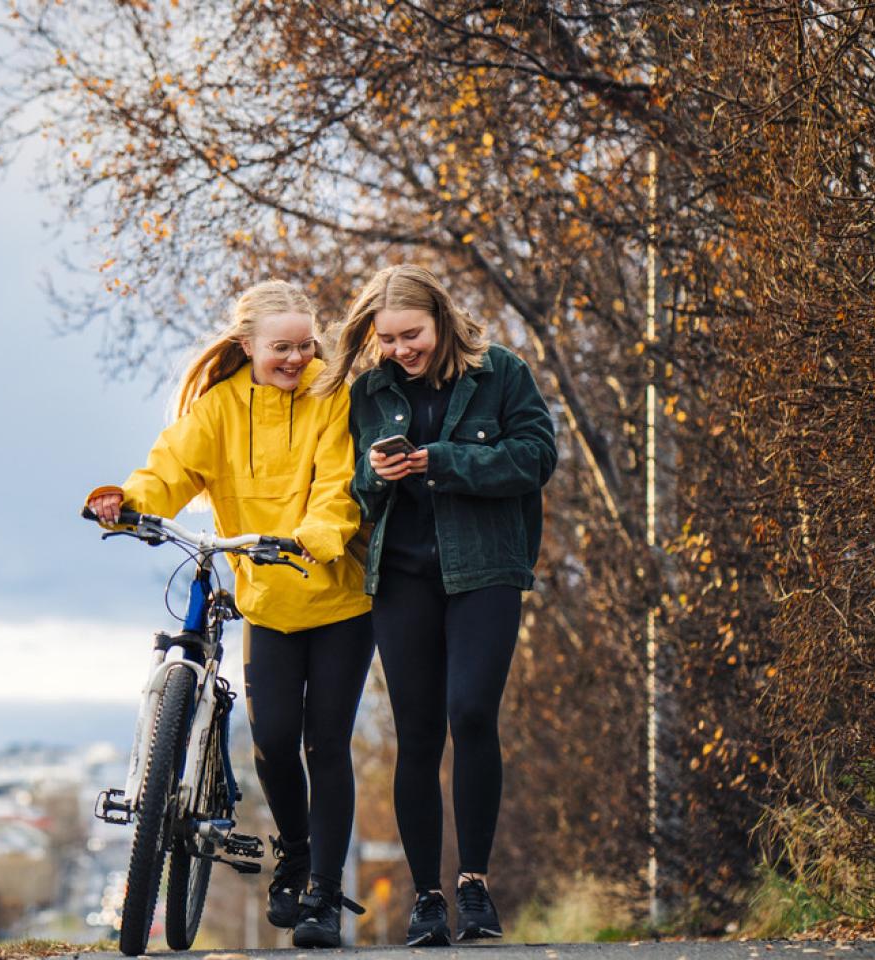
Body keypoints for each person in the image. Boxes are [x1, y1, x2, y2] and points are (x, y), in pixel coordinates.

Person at [85, 280, 372, 948]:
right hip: (267, 602)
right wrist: (126, 501)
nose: (298, 358)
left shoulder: (334, 398)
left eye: (306, 345)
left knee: (324, 744)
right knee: (272, 740)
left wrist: (313, 537)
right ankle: (295, 853)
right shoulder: (217, 409)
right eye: (282, 348)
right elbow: (171, 469)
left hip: (337, 596)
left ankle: (323, 896)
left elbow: (340, 484)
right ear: (247, 346)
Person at [312, 264, 557, 946]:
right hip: (402, 579)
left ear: (441, 320)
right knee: (417, 736)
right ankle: (427, 900)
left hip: (485, 570)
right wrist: (378, 474)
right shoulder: (369, 391)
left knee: (472, 713)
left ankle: (474, 886)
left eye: (410, 334)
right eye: (386, 339)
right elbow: (358, 490)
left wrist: (441, 461)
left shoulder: (500, 372)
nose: (400, 350)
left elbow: (537, 457)